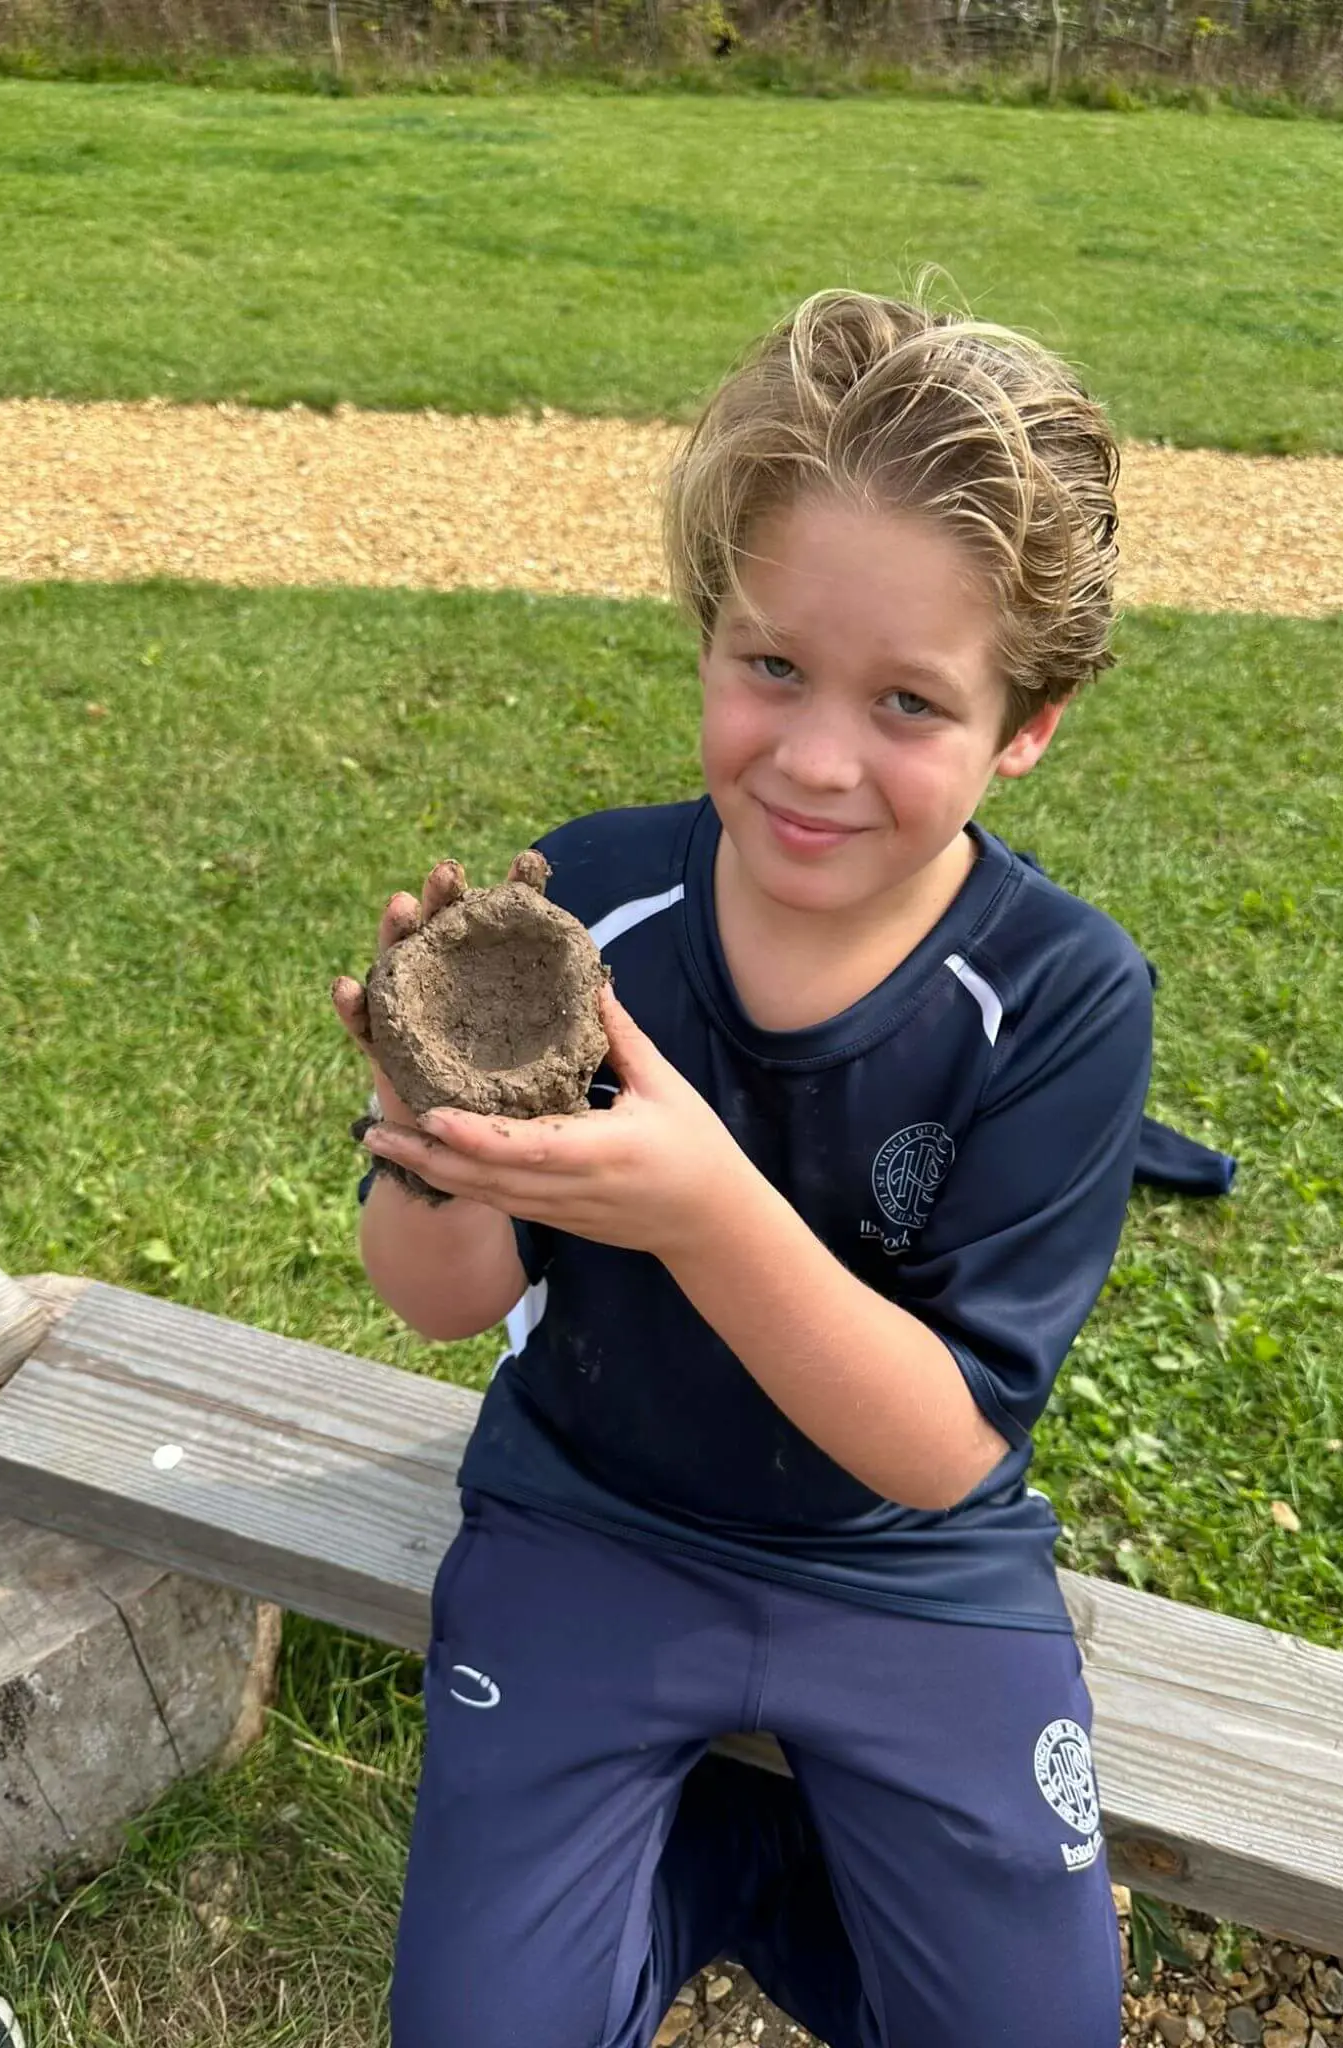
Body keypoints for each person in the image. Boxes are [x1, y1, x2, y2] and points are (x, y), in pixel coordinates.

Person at [332, 286, 1150, 2048]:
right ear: (710, 630)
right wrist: (439, 1144)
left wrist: (703, 1208)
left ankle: (762, 1866)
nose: (814, 759)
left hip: (904, 1567)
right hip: (591, 1516)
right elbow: (432, 1299)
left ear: (1029, 721)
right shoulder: (593, 906)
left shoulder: (1060, 997)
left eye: (910, 702)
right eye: (769, 664)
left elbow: (940, 1447)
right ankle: (694, 1863)